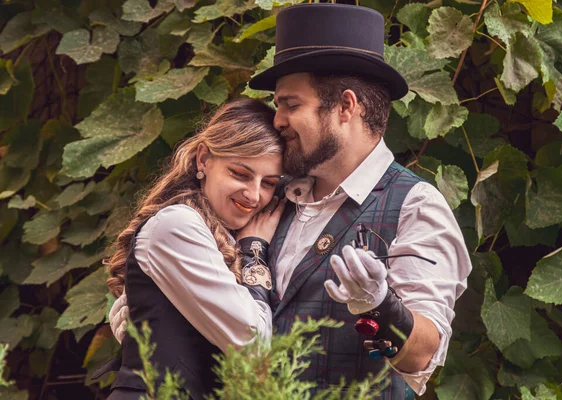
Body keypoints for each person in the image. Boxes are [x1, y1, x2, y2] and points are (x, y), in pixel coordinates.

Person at [111, 3, 472, 398]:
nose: (278, 119)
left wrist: (380, 304)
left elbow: (423, 355)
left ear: (346, 107)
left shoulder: (416, 207)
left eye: (291, 104)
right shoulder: (270, 196)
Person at [95, 99, 286, 399]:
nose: (253, 194)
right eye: (240, 173)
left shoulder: (214, 235)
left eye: (269, 183)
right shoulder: (177, 224)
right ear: (204, 159)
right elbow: (254, 344)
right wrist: (254, 251)